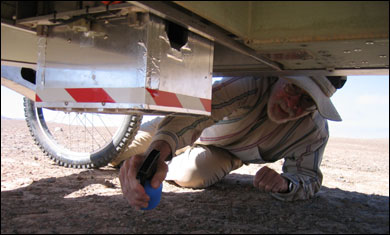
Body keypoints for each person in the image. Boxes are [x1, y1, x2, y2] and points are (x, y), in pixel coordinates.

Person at [118, 75, 347, 210]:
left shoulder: (313, 132)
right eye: (293, 88)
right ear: (280, 76)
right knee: (123, 155)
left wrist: (286, 184)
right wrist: (155, 155)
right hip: (184, 129)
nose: (292, 104)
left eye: (307, 101)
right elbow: (192, 116)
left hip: (224, 153)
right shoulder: (251, 83)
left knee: (192, 176)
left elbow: (307, 177)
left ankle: (164, 163)